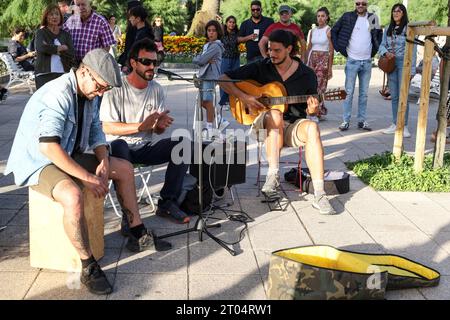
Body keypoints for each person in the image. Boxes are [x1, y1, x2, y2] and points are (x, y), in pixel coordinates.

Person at [4, 49, 172, 295]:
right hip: (39, 160)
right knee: (72, 195)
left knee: (123, 168)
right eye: (100, 87)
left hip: (68, 151)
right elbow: (49, 147)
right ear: (84, 71)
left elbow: (96, 132)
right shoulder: (58, 94)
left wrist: (103, 160)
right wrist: (88, 177)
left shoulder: (90, 92)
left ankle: (137, 232)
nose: (101, 93)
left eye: (104, 90)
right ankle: (88, 266)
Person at [219, 29, 337, 215]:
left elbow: (310, 111)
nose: (271, 54)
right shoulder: (261, 66)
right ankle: (273, 176)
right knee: (275, 114)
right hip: (264, 124)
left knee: (313, 127)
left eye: (276, 50)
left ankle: (320, 193)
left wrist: (313, 110)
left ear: (289, 49)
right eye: (269, 49)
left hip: (292, 126)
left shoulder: (306, 74)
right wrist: (245, 97)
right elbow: (223, 78)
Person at [100, 39, 191, 225]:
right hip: (118, 150)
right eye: (146, 62)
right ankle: (129, 215)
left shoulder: (156, 89)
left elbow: (155, 130)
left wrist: (159, 126)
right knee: (119, 144)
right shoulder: (115, 89)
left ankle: (167, 202)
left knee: (183, 143)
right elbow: (107, 127)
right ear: (133, 63)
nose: (152, 67)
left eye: (155, 63)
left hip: (144, 147)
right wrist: (140, 126)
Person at [331, 0, 382, 131]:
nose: (360, 6)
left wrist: (374, 51)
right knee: (348, 92)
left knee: (364, 94)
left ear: (367, 5)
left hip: (366, 62)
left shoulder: (373, 18)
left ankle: (362, 121)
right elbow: (334, 31)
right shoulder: (347, 16)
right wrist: (339, 48)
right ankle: (345, 121)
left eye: (363, 4)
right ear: (355, 4)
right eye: (358, 3)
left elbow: (379, 35)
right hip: (352, 60)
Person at [379, 3, 417, 138]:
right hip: (391, 64)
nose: (396, 13)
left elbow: (413, 50)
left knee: (403, 96)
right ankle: (395, 124)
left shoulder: (408, 28)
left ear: (403, 13)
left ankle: (404, 125)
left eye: (399, 11)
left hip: (404, 64)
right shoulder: (388, 28)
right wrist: (385, 53)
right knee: (394, 96)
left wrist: (412, 70)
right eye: (394, 11)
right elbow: (382, 45)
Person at [192, 20, 225, 139]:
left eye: (214, 31)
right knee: (202, 101)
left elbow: (200, 60)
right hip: (204, 75)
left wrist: (201, 59)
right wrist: (201, 59)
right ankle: (220, 118)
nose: (211, 33)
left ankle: (210, 128)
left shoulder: (216, 46)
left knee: (207, 101)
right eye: (209, 30)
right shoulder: (208, 45)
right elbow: (200, 59)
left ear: (218, 32)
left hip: (210, 76)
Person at [34, 4, 76, 89]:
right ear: (46, 17)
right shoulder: (41, 33)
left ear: (60, 17)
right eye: (51, 14)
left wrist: (49, 48)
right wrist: (59, 48)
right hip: (44, 74)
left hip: (63, 73)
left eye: (57, 14)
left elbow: (71, 53)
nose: (54, 17)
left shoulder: (66, 35)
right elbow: (41, 48)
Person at [63, 0, 116, 64]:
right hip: (72, 65)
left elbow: (107, 46)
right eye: (78, 5)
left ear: (90, 5)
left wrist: (98, 62)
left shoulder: (101, 22)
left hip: (92, 66)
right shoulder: (72, 20)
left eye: (83, 4)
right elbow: (61, 36)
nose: (80, 8)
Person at [306, 7, 334, 121]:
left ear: (327, 17)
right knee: (311, 85)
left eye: (323, 16)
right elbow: (309, 47)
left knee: (320, 86)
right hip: (312, 59)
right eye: (318, 16)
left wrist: (330, 68)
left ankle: (318, 111)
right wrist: (305, 62)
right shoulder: (312, 31)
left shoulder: (329, 30)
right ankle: (311, 109)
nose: (320, 18)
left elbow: (331, 50)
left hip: (323, 60)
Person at [218, 15, 241, 108]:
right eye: (230, 22)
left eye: (233, 22)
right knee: (224, 79)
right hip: (225, 58)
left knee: (234, 80)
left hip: (235, 58)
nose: (231, 24)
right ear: (226, 23)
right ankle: (223, 102)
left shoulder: (237, 33)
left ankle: (231, 100)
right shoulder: (222, 33)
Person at [118, 0, 141, 72]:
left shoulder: (134, 27)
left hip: (133, 61)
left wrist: (126, 63)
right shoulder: (140, 25)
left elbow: (130, 47)